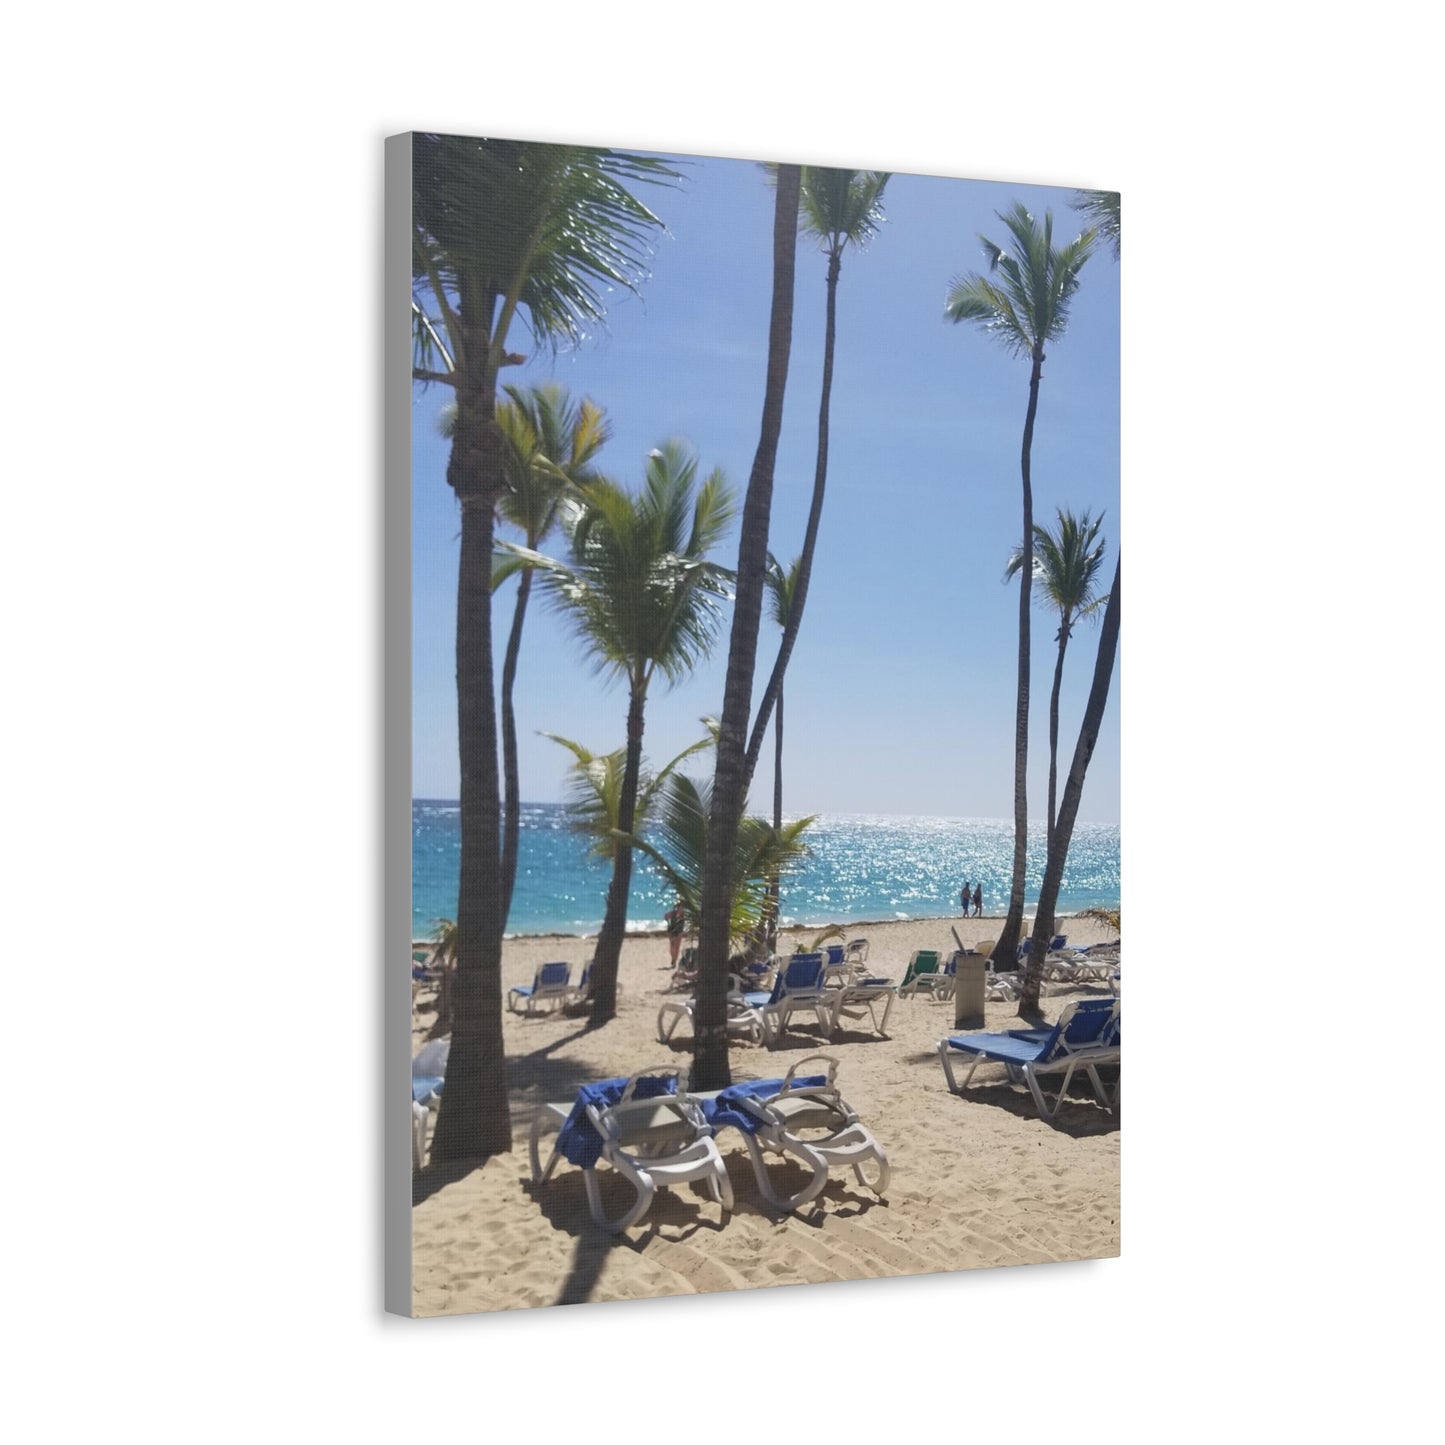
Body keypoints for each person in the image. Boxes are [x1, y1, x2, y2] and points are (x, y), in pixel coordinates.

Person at [665, 897, 686, 967]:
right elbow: (666, 916)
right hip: (671, 929)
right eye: (679, 906)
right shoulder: (673, 913)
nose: (681, 907)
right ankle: (673, 958)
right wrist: (668, 922)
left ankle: (674, 961)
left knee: (677, 946)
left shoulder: (684, 914)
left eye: (682, 906)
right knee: (672, 945)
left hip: (679, 930)